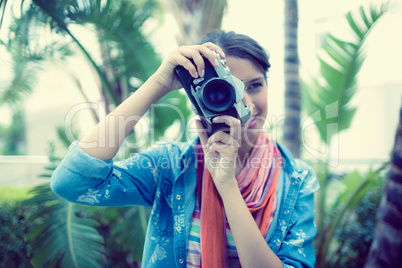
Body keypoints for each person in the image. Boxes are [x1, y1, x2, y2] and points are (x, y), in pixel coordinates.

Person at [51, 30, 319, 268]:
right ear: (199, 98)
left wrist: (226, 184)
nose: (245, 102)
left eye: (255, 85)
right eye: (227, 89)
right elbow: (72, 182)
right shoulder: (172, 166)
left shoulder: (296, 180)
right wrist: (157, 84)